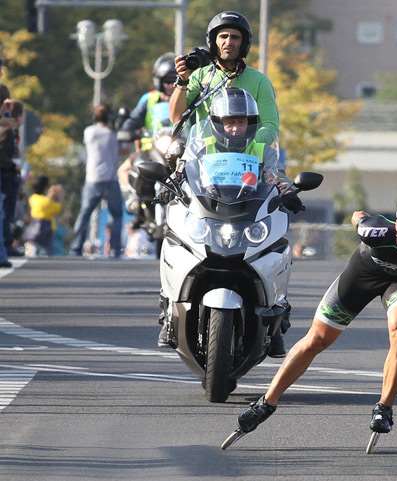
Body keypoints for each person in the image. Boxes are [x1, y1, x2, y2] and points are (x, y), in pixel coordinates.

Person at [227, 193, 397, 442]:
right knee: (317, 340)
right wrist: (359, 218)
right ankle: (266, 403)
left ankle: (384, 409)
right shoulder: (376, 231)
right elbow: (358, 216)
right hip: (361, 277)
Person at [156, 87, 294, 349]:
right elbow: (184, 170)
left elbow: (274, 174)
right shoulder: (200, 145)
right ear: (217, 123)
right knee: (172, 241)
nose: (234, 128)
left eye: (240, 122)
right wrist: (169, 183)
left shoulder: (261, 148)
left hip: (248, 214)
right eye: (229, 122)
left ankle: (278, 314)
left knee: (280, 246)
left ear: (250, 124)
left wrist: (286, 187)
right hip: (210, 211)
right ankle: (167, 311)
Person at [170, 11, 279, 147]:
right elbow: (176, 117)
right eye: (223, 36)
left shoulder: (260, 81)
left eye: (235, 37)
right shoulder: (200, 76)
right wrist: (182, 80)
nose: (229, 42)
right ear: (214, 41)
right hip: (205, 161)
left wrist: (245, 146)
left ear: (243, 43)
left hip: (247, 160)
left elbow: (270, 126)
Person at [70, 104, 124, 258]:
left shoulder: (89, 132)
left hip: (93, 178)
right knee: (117, 215)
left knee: (85, 213)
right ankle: (115, 248)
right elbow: (121, 149)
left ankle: (76, 247)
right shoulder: (113, 134)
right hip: (111, 179)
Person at [0, 97, 23, 257]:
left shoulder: (11, 129)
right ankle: (6, 245)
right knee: (6, 212)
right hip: (7, 173)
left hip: (9, 173)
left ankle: (7, 245)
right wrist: (12, 165)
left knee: (7, 212)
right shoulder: (6, 129)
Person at [23, 176, 63, 256]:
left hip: (36, 224)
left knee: (33, 241)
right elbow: (56, 208)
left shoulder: (33, 198)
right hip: (44, 224)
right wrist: (56, 197)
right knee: (45, 245)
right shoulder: (45, 200)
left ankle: (32, 251)